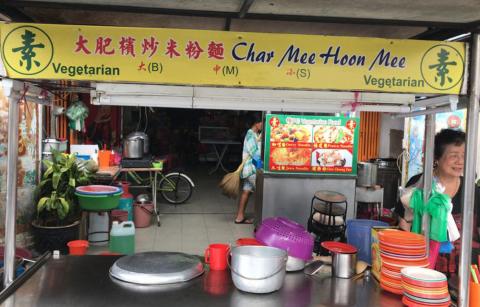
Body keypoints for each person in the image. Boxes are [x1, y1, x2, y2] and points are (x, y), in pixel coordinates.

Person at [395, 128, 480, 274]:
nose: (460, 161)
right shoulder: (419, 185)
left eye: (464, 155)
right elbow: (404, 228)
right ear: (436, 158)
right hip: (424, 272)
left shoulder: (473, 192)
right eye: (454, 155)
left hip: (466, 276)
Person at [234, 113, 263, 224]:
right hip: (252, 170)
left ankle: (239, 217)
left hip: (249, 170)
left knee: (246, 191)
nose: (263, 125)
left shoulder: (255, 134)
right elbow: (255, 153)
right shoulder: (250, 134)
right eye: (261, 123)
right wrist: (261, 168)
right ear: (256, 123)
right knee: (260, 193)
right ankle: (258, 218)